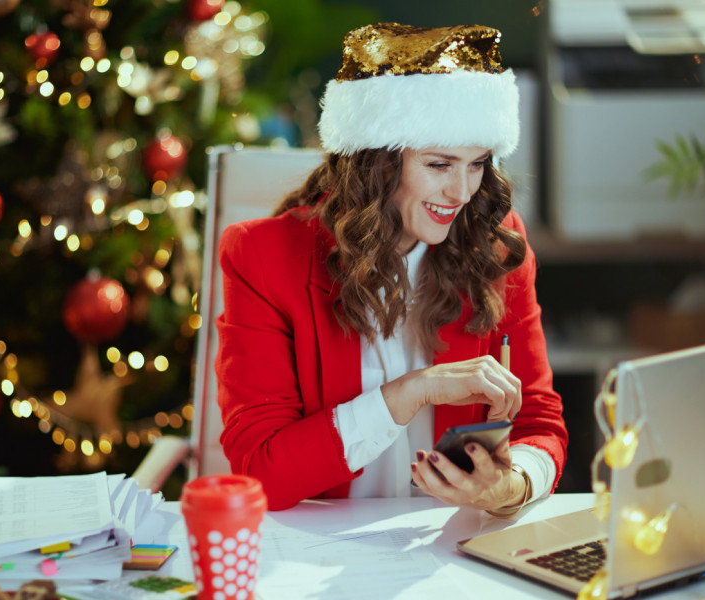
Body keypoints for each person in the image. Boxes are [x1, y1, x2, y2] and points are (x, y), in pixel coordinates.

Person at [214, 22, 568, 512]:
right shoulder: (262, 256)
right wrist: (410, 393)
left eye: (478, 163)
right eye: (440, 165)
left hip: (445, 545)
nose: (462, 193)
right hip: (319, 549)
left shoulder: (496, 243)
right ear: (377, 162)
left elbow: (540, 423)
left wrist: (512, 485)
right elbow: (261, 472)